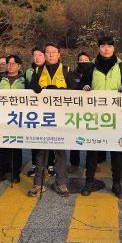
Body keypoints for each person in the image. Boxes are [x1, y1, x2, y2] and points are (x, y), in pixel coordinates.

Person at [81, 36, 122, 199]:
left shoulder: (121, 66)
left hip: (115, 116)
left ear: (113, 48)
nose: (106, 48)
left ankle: (116, 184)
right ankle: (89, 182)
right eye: (103, 46)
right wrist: (85, 86)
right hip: (95, 116)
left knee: (116, 152)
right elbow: (82, 84)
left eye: (109, 46)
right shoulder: (91, 66)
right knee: (92, 151)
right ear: (98, 48)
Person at [27, 43, 74, 197]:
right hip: (43, 117)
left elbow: (75, 90)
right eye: (48, 52)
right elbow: (30, 88)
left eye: (54, 52)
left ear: (59, 54)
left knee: (60, 151)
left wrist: (60, 91)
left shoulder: (67, 70)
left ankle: (61, 183)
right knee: (41, 152)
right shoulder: (37, 71)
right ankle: (38, 183)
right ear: (44, 55)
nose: (51, 54)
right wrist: (35, 87)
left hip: (61, 118)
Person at [0, 55, 26, 185]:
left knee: (16, 147)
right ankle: (0, 172)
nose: (10, 65)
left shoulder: (25, 80)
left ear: (19, 66)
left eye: (13, 63)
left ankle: (15, 172)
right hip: (3, 118)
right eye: (8, 63)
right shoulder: (0, 79)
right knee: (2, 146)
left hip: (18, 118)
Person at [68, 52, 92, 173]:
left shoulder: (94, 73)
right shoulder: (72, 74)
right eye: (81, 60)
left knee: (91, 138)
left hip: (91, 111)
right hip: (76, 111)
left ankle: (91, 164)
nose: (83, 62)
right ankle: (74, 164)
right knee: (75, 138)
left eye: (86, 60)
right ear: (78, 61)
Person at [25, 47, 47, 177]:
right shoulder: (29, 72)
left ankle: (49, 165)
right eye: (35, 55)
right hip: (34, 111)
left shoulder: (50, 69)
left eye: (40, 55)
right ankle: (35, 165)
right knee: (35, 139)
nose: (37, 57)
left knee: (50, 139)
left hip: (49, 111)